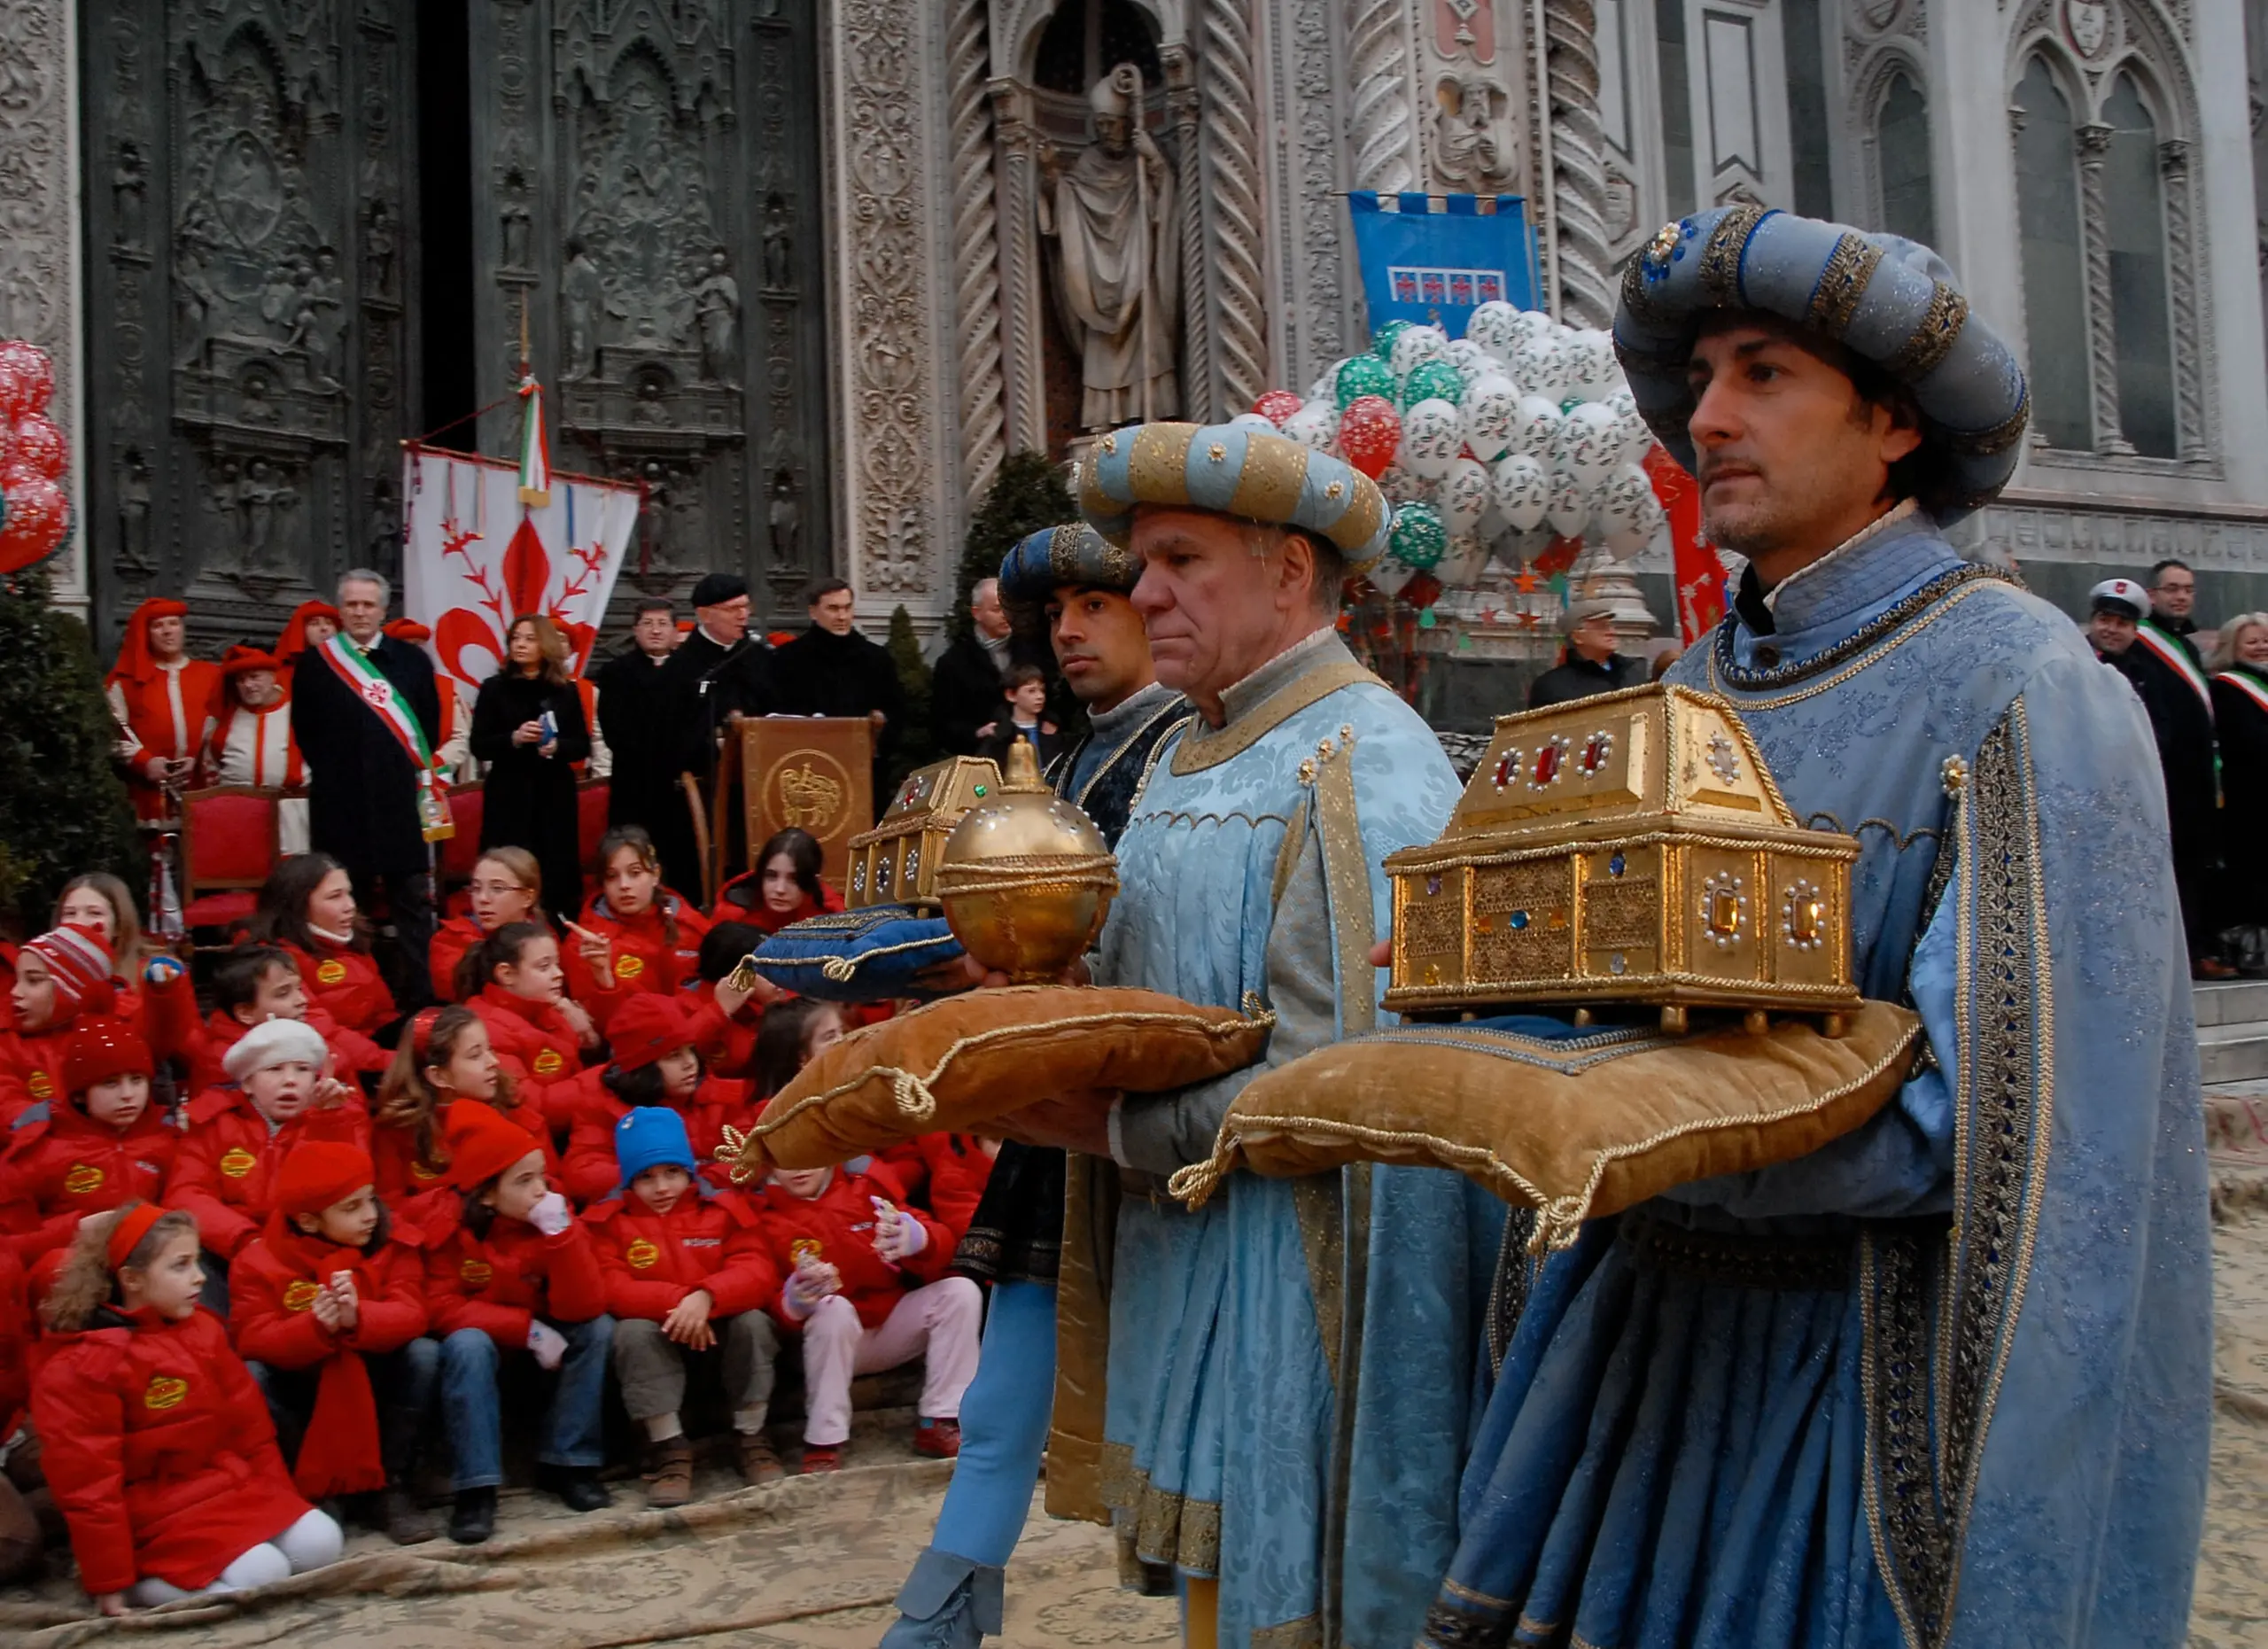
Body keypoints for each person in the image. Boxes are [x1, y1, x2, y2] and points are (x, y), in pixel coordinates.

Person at [1405, 205, 2209, 1648]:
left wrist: (1647, 1136)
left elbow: (2022, 1145)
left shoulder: (2024, 685)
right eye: (1701, 376)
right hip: (1639, 1386)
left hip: (1853, 1407)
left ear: (1892, 421)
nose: (1706, 415)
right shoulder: (1682, 685)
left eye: (1762, 372)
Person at [998, 423, 1489, 1647]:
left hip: (1302, 1304)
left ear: (1288, 575)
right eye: (1143, 562)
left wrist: (1112, 1123)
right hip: (1201, 1270)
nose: (1143, 590)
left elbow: (1338, 1092)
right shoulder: (1189, 743)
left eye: (1178, 559)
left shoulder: (1364, 766)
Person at [882, 517, 1190, 1649]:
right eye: (1055, 612)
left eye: (1095, 606)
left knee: (1203, 1397)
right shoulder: (1052, 765)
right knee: (1005, 1393)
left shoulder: (1188, 753)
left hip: (1167, 1117)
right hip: (1063, 1120)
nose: (1067, 631)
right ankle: (940, 1617)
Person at [35, 1203, 344, 1614]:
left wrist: (280, 1502)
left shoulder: (203, 1329)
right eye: (181, 1266)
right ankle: (142, 1587)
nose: (200, 1277)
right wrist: (109, 1581)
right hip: (155, 1519)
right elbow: (90, 1489)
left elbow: (252, 1432)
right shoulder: (82, 1367)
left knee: (322, 1542)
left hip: (227, 1490)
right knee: (264, 1572)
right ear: (132, 1279)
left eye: (197, 1261)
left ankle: (226, 1568)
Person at [415, 1101, 615, 1543]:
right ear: (486, 1193)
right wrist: (524, 1329)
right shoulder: (447, 1225)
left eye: (541, 1176)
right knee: (466, 1344)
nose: (540, 1190)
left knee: (597, 1329)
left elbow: (584, 1305)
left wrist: (562, 1238)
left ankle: (570, 1463)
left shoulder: (551, 1216)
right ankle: (477, 1488)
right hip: (490, 1347)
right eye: (524, 1182)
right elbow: (440, 1304)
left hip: (548, 1352)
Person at [228, 1140, 439, 1544]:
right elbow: (252, 1337)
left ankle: (389, 1486)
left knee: (424, 1355)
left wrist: (359, 1318)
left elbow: (413, 1311)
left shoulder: (392, 1243)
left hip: (375, 1374)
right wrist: (315, 1329)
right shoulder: (257, 1261)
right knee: (253, 1377)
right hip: (304, 1382)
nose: (371, 1216)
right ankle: (315, 1491)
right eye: (351, 1208)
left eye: (370, 1200)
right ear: (308, 1222)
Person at [586, 1107, 786, 1504]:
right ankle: (669, 1448)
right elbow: (610, 1286)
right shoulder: (611, 1223)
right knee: (631, 1331)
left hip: (720, 1335)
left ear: (689, 1172)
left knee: (754, 1322)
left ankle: (750, 1435)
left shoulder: (721, 1211)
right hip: (662, 1339)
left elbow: (758, 1268)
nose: (662, 1187)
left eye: (672, 1173)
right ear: (629, 1181)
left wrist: (707, 1297)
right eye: (646, 1177)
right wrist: (680, 1304)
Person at [760, 1159, 980, 1474]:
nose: (799, 1166)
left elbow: (941, 1242)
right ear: (768, 1166)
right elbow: (762, 1297)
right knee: (832, 1309)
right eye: (784, 1159)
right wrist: (792, 1303)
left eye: (811, 1152)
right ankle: (825, 1441)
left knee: (960, 1292)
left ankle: (942, 1418)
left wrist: (920, 1239)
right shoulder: (764, 1217)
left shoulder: (868, 1191)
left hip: (889, 1326)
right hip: (824, 1342)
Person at [291, 570, 445, 1011]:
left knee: (412, 903)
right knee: (343, 905)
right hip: (341, 804)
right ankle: (355, 998)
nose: (360, 612)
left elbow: (427, 729)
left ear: (383, 610)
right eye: (352, 605)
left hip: (399, 803)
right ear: (340, 611)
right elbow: (307, 732)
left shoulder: (413, 662)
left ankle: (421, 1000)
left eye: (368, 605)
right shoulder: (317, 664)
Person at [170, 1017, 368, 1305]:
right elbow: (185, 1193)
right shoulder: (214, 1124)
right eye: (275, 1069)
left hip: (307, 1254)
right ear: (248, 1082)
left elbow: (352, 1191)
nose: (290, 1080)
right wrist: (243, 1238)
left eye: (302, 1070)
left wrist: (331, 1121)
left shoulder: (340, 1117)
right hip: (227, 1252)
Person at [2092, 579, 2228, 979]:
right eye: (2105, 619)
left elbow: (2163, 732)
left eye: (2122, 623)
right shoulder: (2074, 662)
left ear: (2136, 629)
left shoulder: (2146, 672)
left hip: (2142, 796)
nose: (2112, 629)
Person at [0, 1014, 178, 1269]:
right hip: (69, 1273)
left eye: (137, 1080)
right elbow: (8, 1247)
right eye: (110, 1083)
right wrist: (75, 1230)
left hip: (147, 1269)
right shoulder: (40, 1149)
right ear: (81, 1094)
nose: (128, 1095)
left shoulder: (166, 1140)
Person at [560, 993, 756, 1204]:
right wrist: (647, 1175)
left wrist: (692, 1178)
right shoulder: (604, 1105)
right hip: (641, 1224)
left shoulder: (719, 1094)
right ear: (643, 1068)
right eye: (673, 1056)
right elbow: (581, 1174)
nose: (690, 1063)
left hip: (712, 1213)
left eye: (690, 1050)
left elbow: (751, 1154)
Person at [470, 613, 593, 923]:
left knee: (555, 868)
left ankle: (558, 928)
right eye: (515, 638)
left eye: (529, 638)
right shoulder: (494, 688)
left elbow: (582, 744)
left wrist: (558, 747)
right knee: (508, 863)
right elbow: (479, 744)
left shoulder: (565, 690)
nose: (520, 645)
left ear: (546, 645)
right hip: (509, 792)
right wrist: (514, 737)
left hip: (554, 793)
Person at [663, 574, 773, 897]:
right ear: (704, 614)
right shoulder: (682, 667)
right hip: (706, 785)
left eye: (745, 607)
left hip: (761, 783)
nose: (743, 615)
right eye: (732, 609)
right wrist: (716, 741)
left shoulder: (759, 657)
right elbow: (670, 734)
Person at [371, 1005, 555, 1200]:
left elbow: (554, 1185)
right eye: (475, 1056)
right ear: (438, 1076)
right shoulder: (396, 1130)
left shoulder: (512, 1105)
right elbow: (393, 1210)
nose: (493, 1061)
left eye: (490, 1049)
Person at [175, 942, 385, 1098]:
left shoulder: (311, 1027)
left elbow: (369, 1059)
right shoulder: (224, 1064)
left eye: (299, 988)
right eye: (283, 994)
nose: (302, 1001)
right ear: (246, 1013)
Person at [765, 578, 905, 805]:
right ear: (813, 612)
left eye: (847, 608)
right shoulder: (787, 660)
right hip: (807, 774)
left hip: (865, 773)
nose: (842, 617)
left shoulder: (876, 659)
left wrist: (876, 743)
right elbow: (775, 716)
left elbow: (897, 712)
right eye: (833, 609)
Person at [566, 826, 711, 1033]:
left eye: (635, 873)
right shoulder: (585, 944)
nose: (624, 885)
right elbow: (600, 1032)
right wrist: (603, 978)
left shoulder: (691, 924)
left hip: (696, 1034)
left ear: (655, 875)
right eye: (612, 876)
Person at [461, 922, 601, 1132]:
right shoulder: (485, 1030)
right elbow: (534, 1107)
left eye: (557, 964)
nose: (558, 974)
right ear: (506, 974)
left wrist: (589, 1038)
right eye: (544, 967)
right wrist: (604, 1078)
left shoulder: (548, 1008)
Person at [252, 852, 397, 1036]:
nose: (350, 905)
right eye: (335, 897)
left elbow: (384, 1016)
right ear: (299, 906)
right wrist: (390, 1060)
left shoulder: (353, 945)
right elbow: (320, 1034)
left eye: (349, 894)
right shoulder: (274, 960)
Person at [105, 597, 221, 821]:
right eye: (158, 626)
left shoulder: (211, 676)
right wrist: (145, 762)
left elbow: (224, 729)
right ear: (146, 634)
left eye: (174, 623)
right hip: (147, 799)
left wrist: (199, 762)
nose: (167, 631)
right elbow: (109, 734)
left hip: (200, 793)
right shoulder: (124, 682)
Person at [594, 598, 688, 862]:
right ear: (635, 630)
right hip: (633, 778)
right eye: (647, 623)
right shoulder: (615, 672)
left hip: (678, 781)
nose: (655, 630)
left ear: (675, 631)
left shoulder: (691, 671)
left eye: (662, 624)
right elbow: (612, 727)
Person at [203, 643, 312, 854]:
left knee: (296, 880)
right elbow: (211, 766)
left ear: (273, 677)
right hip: (238, 815)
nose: (248, 685)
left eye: (255, 677)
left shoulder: (300, 712)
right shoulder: (223, 719)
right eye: (241, 680)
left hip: (293, 815)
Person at [2210, 612, 2268, 969]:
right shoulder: (2227, 688)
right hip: (2251, 799)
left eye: (2266, 641)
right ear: (2234, 647)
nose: (2261, 648)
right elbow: (2247, 743)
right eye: (2252, 642)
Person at [430, 846, 549, 1004]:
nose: (483, 898)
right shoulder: (449, 941)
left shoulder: (546, 936)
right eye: (476, 888)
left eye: (497, 888)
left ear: (527, 897)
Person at [929, 578, 1018, 756]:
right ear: (977, 613)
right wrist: (976, 733)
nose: (1005, 614)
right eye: (996, 609)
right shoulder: (954, 662)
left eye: (1008, 607)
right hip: (978, 759)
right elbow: (941, 724)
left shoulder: (1031, 651)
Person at [384, 618, 475, 780]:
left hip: (435, 778)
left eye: (418, 645)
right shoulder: (375, 687)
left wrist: (433, 765)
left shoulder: (444, 686)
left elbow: (459, 737)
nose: (414, 653)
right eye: (406, 646)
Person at [713, 825, 839, 931]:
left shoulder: (832, 917)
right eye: (771, 876)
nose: (780, 889)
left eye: (794, 879)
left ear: (813, 882)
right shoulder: (732, 916)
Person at [1526, 596, 1645, 706]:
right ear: (1577, 637)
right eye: (1601, 627)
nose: (1611, 632)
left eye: (1611, 626)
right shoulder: (1552, 686)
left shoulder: (1631, 671)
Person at [972, 663, 1064, 769]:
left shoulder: (1052, 731)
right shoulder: (1000, 737)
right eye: (1031, 691)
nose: (1040, 696)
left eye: (1042, 690)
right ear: (1011, 695)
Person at [2148, 556, 2203, 660]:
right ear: (2152, 596)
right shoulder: (2136, 640)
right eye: (2172, 589)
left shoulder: (2189, 649)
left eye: (2188, 590)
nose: (2182, 597)